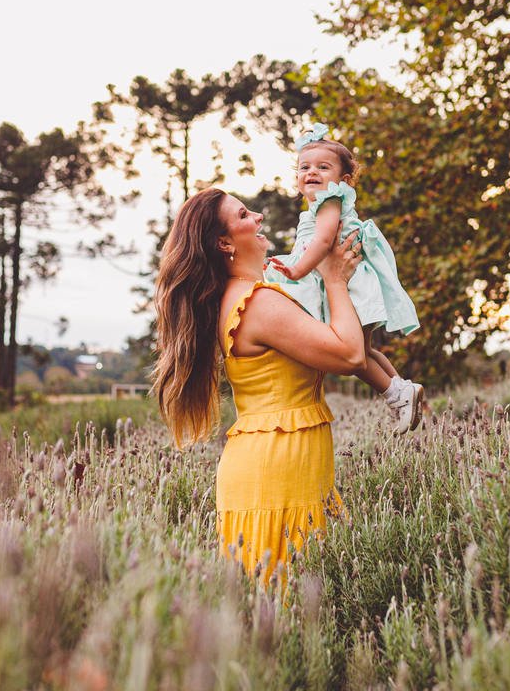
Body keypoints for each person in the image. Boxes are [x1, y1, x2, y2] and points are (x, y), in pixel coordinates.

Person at [152, 187, 365, 583]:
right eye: (245, 215)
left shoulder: (243, 298)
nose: (259, 218)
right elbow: (350, 355)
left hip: (276, 467)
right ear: (224, 242)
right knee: (288, 607)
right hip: (277, 473)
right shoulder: (257, 303)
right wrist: (335, 280)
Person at [264, 123, 425, 433]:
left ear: (343, 180)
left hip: (349, 286)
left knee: (355, 357)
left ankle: (396, 395)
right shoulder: (320, 205)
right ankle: (402, 390)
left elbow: (323, 244)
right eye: (305, 167)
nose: (312, 172)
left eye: (323, 167)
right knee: (364, 350)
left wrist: (297, 271)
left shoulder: (330, 201)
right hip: (353, 284)